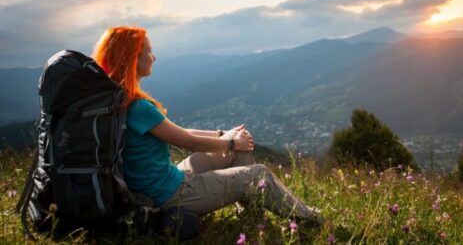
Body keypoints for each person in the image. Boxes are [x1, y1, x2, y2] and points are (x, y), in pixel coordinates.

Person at [91, 26, 323, 226]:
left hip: (155, 185)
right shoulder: (138, 106)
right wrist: (231, 142)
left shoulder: (118, 99)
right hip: (168, 194)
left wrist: (224, 135)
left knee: (237, 146)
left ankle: (252, 215)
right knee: (258, 173)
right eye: (149, 51)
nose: (154, 57)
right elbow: (188, 142)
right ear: (133, 57)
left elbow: (182, 133)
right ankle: (311, 218)